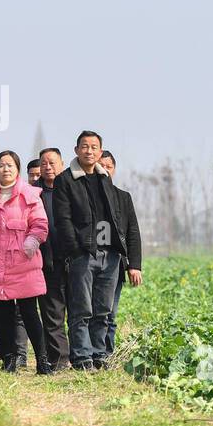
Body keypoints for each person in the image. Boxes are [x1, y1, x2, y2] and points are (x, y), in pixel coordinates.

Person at [51, 131, 128, 370]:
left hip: (109, 254)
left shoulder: (105, 178)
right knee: (81, 308)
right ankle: (82, 357)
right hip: (83, 253)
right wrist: (75, 249)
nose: (89, 151)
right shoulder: (66, 180)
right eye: (85, 146)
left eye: (94, 147)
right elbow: (62, 219)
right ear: (76, 150)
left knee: (103, 310)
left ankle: (100, 355)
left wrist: (118, 248)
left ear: (100, 151)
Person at [0, 151, 51, 374]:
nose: (5, 169)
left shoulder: (30, 194)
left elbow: (40, 224)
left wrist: (31, 242)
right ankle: (8, 359)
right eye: (1, 166)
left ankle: (42, 360)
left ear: (17, 169)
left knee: (29, 313)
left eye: (10, 165)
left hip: (23, 262)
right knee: (1, 315)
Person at [100, 151, 143, 354]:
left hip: (115, 263)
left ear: (114, 170)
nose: (105, 170)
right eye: (101, 166)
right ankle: (89, 354)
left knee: (109, 313)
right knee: (88, 312)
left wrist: (133, 265)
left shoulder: (123, 198)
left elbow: (133, 232)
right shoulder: (82, 195)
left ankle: (106, 354)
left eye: (108, 166)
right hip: (88, 262)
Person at [36, 148, 71, 372]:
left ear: (62, 164)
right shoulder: (34, 193)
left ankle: (80, 357)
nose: (48, 167)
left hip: (73, 259)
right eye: (44, 163)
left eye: (52, 162)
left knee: (78, 311)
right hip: (45, 261)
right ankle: (58, 360)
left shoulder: (72, 188)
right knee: (52, 313)